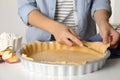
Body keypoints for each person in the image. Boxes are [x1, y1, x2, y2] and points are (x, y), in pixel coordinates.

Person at [17, 0, 120, 48]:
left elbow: (100, 2)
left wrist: (103, 22)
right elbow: (26, 7)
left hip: (84, 43)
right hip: (41, 45)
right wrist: (55, 28)